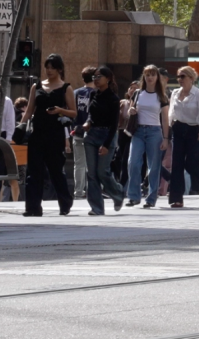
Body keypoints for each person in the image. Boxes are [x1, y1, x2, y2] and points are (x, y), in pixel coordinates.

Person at [21, 54, 77, 217]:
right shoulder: (36, 86)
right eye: (47, 67)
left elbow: (74, 113)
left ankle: (65, 203)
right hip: (37, 133)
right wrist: (21, 126)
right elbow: (30, 109)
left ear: (59, 69)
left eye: (52, 67)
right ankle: (33, 208)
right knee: (34, 171)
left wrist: (60, 110)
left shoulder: (66, 87)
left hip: (55, 133)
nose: (49, 70)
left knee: (56, 170)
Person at [167, 66, 199, 208]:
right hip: (178, 129)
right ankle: (177, 198)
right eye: (178, 77)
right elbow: (171, 112)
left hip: (194, 130)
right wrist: (169, 126)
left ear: (191, 78)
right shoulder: (174, 93)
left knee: (191, 164)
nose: (180, 80)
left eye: (183, 76)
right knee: (177, 165)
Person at [125, 65, 168, 208]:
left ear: (157, 77)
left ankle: (151, 198)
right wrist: (131, 110)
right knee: (133, 163)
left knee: (154, 166)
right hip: (138, 131)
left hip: (155, 132)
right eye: (147, 75)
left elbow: (165, 119)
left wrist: (166, 138)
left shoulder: (161, 96)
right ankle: (134, 196)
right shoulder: (138, 93)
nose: (150, 77)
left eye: (152, 75)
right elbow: (131, 109)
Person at [84, 66, 125, 216]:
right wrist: (88, 122)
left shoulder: (114, 99)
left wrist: (106, 145)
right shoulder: (93, 94)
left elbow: (114, 125)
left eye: (99, 76)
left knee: (103, 172)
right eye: (94, 76)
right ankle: (96, 208)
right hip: (91, 136)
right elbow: (91, 114)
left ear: (108, 79)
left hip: (107, 135)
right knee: (92, 174)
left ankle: (118, 192)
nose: (95, 79)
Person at [72, 65, 96, 199]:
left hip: (78, 131)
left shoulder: (75, 93)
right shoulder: (97, 93)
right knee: (93, 164)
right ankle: (93, 190)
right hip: (93, 132)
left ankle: (78, 192)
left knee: (79, 164)